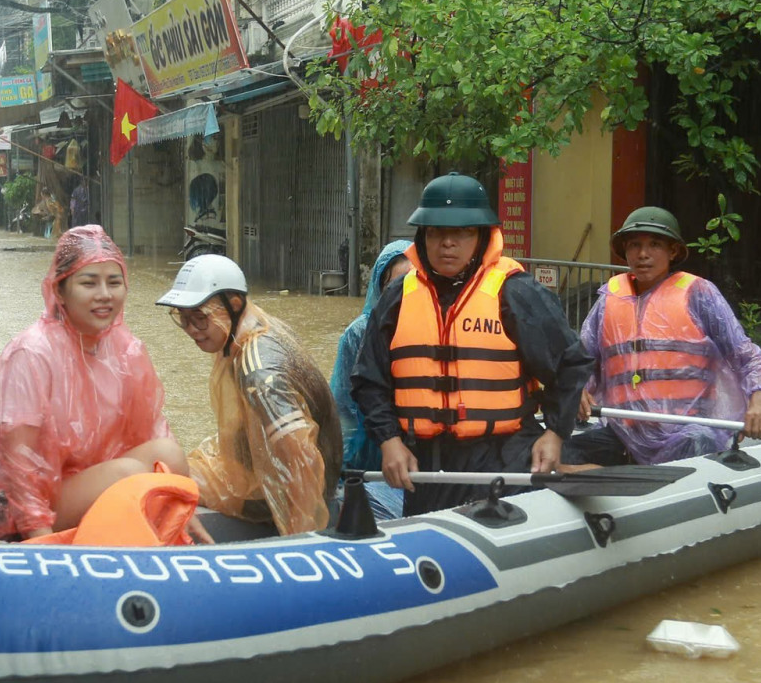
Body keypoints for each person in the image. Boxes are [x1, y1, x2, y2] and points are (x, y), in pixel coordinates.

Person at [352, 174, 593, 516]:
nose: (447, 243)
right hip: (427, 463)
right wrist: (389, 440)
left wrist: (554, 434)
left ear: (481, 236)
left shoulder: (517, 293)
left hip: (504, 457)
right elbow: (367, 379)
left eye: (462, 232)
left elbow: (571, 363)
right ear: (423, 236)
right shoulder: (397, 297)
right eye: (436, 231)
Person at [0, 225, 187, 539]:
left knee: (169, 454)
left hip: (83, 484)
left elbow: (153, 429)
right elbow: (18, 461)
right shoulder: (32, 353)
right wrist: (40, 540)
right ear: (59, 290)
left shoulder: (127, 350)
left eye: (114, 282)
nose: (104, 295)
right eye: (89, 283)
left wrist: (178, 501)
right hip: (18, 509)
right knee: (129, 476)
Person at [566, 206, 761, 466]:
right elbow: (582, 360)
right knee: (559, 452)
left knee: (697, 442)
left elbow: (750, 357)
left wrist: (758, 402)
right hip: (623, 433)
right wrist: (577, 388)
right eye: (634, 245)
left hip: (687, 431)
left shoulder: (699, 294)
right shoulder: (609, 299)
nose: (643, 254)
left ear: (672, 251)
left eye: (654, 244)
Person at [158, 254, 342, 540]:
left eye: (199, 318)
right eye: (183, 319)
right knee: (168, 468)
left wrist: (299, 539)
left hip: (281, 493)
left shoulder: (259, 371)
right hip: (261, 473)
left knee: (162, 482)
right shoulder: (253, 330)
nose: (191, 330)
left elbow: (300, 461)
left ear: (233, 305)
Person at [331, 240, 413, 520]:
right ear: (381, 288)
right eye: (397, 284)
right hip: (370, 452)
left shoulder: (432, 331)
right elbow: (344, 408)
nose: (405, 292)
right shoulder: (359, 333)